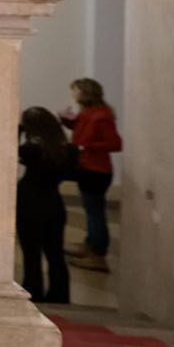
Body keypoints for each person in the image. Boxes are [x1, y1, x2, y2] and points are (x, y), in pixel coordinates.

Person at [61, 78, 123, 272]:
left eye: (76, 90)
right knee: (91, 210)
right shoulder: (87, 113)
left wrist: (85, 146)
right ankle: (90, 244)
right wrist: (66, 119)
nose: (73, 94)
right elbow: (80, 128)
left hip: (96, 170)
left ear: (85, 93)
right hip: (87, 167)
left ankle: (98, 254)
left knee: (95, 212)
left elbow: (115, 144)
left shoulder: (101, 115)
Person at [17, 107, 75, 304]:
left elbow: (8, 151)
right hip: (53, 204)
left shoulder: (31, 150)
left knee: (31, 253)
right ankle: (60, 295)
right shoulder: (68, 150)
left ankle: (33, 291)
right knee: (55, 254)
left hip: (28, 203)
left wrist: (17, 130)